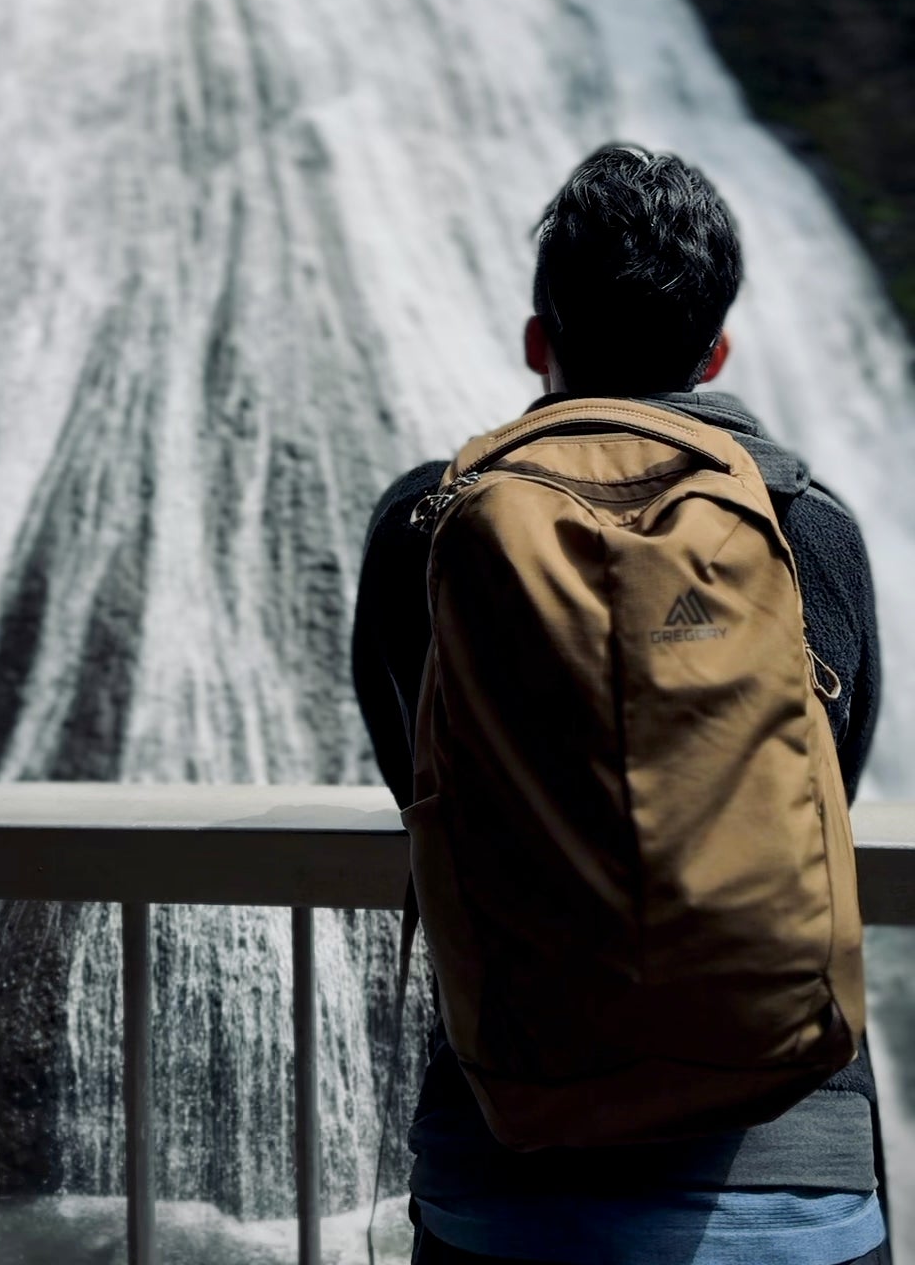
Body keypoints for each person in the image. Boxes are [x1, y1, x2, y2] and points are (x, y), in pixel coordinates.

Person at [352, 144, 888, 1265]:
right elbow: (826, 776)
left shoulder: (426, 529)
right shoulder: (804, 522)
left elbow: (418, 774)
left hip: (509, 1161)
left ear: (538, 340)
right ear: (716, 348)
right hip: (788, 1165)